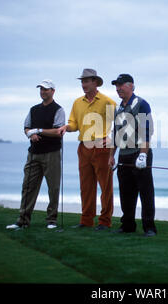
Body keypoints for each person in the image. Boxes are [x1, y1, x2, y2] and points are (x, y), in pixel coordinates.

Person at [58, 68, 116, 230]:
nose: (83, 84)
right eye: (82, 81)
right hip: (83, 147)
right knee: (86, 186)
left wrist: (111, 138)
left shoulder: (108, 102)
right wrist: (66, 127)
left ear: (95, 82)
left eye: (87, 81)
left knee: (105, 187)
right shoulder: (77, 103)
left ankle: (105, 221)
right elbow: (74, 125)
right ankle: (86, 220)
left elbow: (119, 124)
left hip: (102, 147)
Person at [6, 79, 65, 229]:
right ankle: (23, 221)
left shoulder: (58, 110)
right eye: (41, 89)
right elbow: (26, 127)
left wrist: (38, 131)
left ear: (53, 91)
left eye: (46, 89)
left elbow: (58, 132)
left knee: (53, 188)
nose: (43, 92)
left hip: (52, 153)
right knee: (28, 186)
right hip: (34, 152)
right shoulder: (33, 109)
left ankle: (51, 220)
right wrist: (30, 134)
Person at [108, 74, 157, 237]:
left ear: (131, 86)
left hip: (139, 153)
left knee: (145, 192)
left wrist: (143, 155)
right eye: (116, 85)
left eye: (121, 85)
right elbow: (115, 134)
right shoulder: (118, 108)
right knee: (125, 192)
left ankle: (149, 227)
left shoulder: (141, 104)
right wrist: (111, 156)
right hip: (124, 155)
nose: (118, 88)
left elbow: (146, 131)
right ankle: (128, 225)